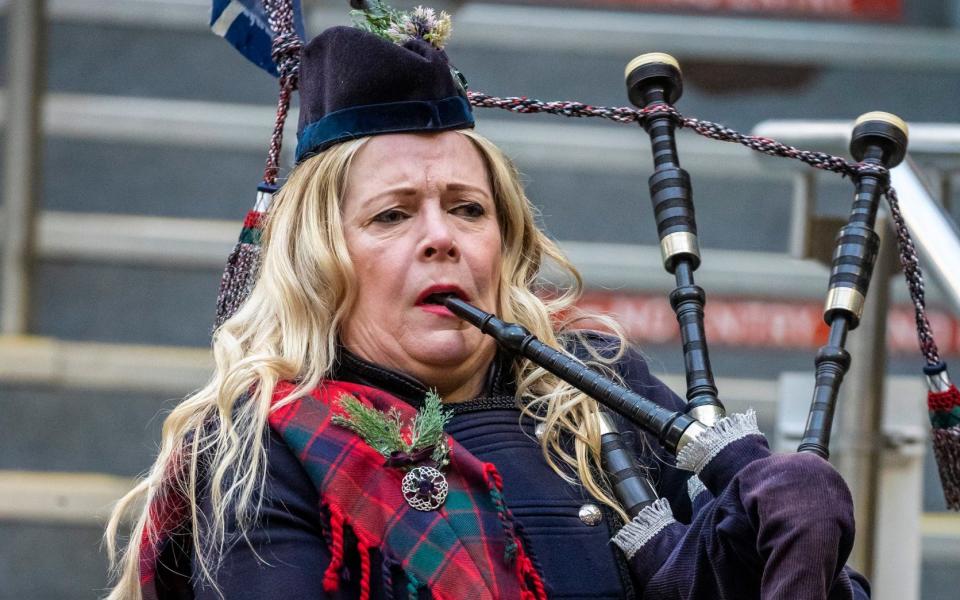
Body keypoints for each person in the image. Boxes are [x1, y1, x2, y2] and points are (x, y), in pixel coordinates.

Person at [106, 7, 870, 600]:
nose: (442, 238)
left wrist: (787, 526)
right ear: (318, 255)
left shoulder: (592, 386)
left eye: (468, 209)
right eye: (393, 214)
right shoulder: (260, 450)